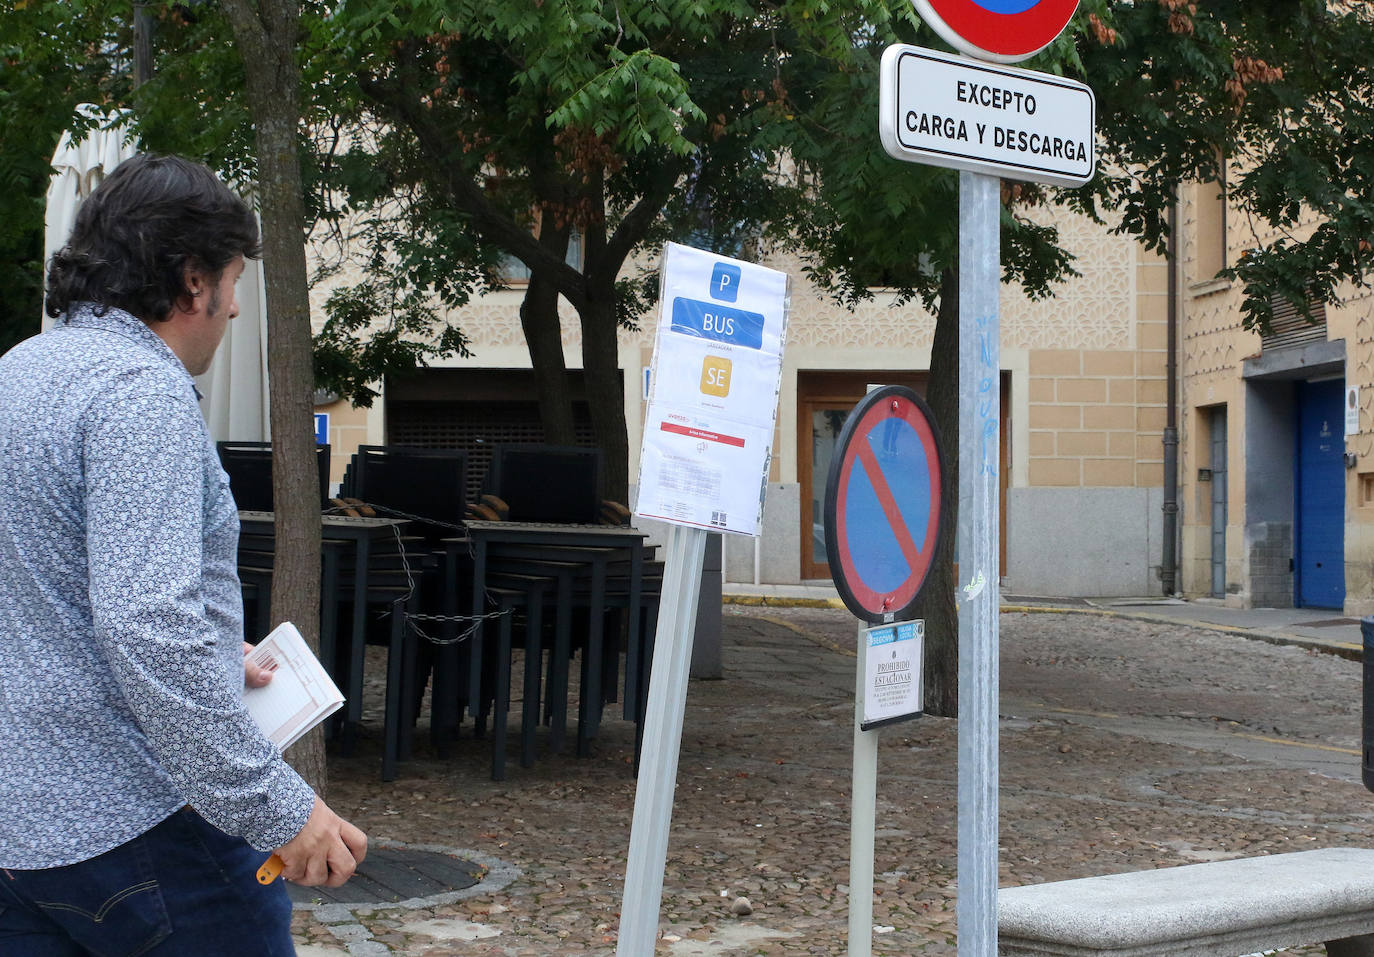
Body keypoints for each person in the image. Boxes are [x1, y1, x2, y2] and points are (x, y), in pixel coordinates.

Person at [0, 153, 366, 956]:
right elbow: (144, 625)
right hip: (137, 824)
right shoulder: (141, 389)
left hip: (18, 835)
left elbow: (42, 593)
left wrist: (201, 651)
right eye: (234, 281)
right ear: (192, 279)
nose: (235, 309)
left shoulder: (17, 373)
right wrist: (279, 807)